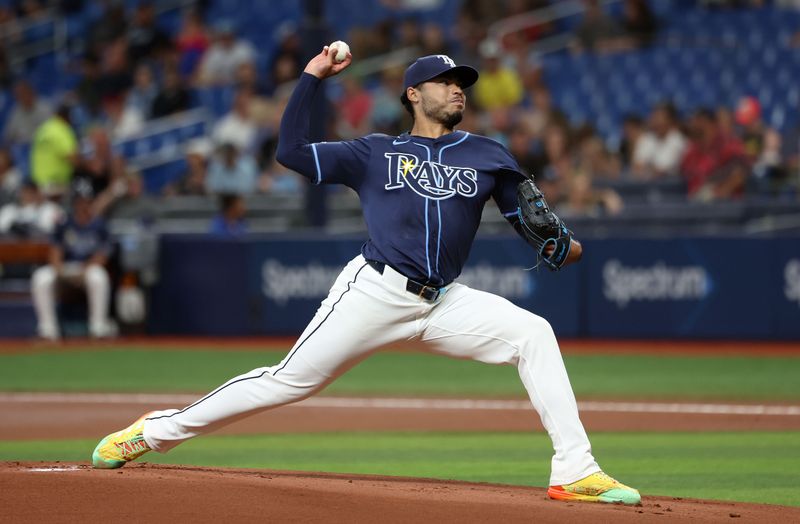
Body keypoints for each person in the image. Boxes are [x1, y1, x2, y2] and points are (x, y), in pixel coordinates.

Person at [91, 50, 641, 506]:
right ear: (412, 95)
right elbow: (290, 152)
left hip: (443, 302)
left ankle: (575, 470)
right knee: (286, 382)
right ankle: (151, 432)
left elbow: (524, 211)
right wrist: (310, 78)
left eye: (461, 83)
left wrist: (554, 238)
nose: (457, 90)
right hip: (375, 290)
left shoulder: (486, 153)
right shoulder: (376, 151)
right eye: (444, 82)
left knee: (533, 334)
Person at [30, 180, 115, 340]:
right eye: (81, 200)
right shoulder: (64, 222)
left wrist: (85, 270)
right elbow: (56, 251)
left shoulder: (100, 224)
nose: (84, 204)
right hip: (66, 268)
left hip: (87, 268)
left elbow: (103, 254)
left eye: (87, 200)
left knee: (98, 277)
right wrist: (59, 271)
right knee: (41, 278)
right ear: (74, 202)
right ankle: (48, 331)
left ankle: (98, 328)